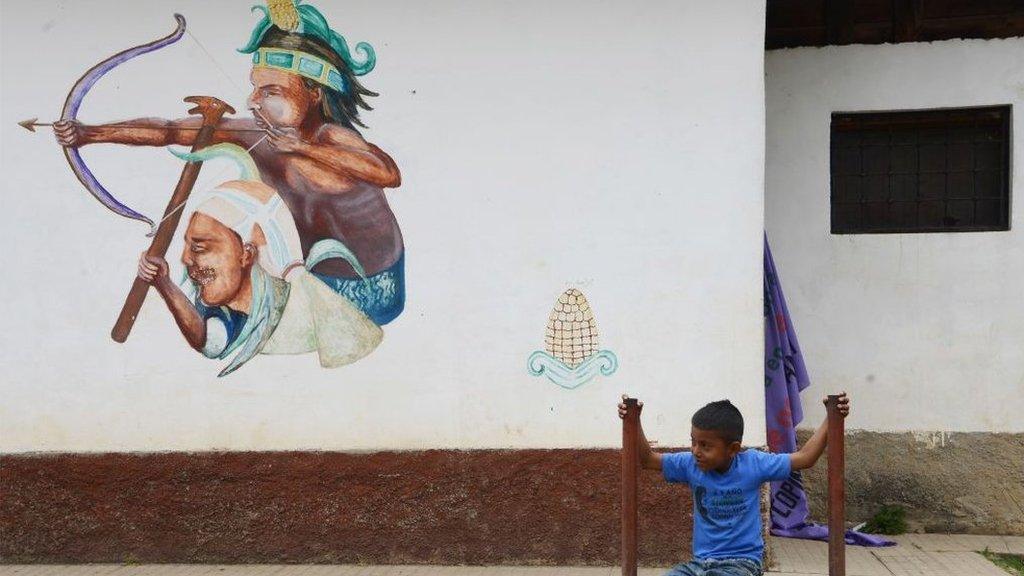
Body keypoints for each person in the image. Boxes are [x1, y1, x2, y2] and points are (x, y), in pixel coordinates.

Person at [55, 0, 405, 327]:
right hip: (309, 282)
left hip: (375, 287)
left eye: (271, 92)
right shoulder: (261, 135)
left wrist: (302, 147)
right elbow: (171, 131)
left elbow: (387, 173)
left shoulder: (334, 140)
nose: (253, 101)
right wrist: (88, 133)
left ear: (314, 93)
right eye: (256, 88)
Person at [137, 143, 382, 377]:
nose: (185, 259)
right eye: (188, 246)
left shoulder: (298, 304)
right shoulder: (222, 301)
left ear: (247, 254)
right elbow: (211, 339)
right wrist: (164, 283)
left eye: (200, 247)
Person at [617, 393, 851, 576]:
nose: (696, 451)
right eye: (693, 442)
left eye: (706, 446)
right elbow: (647, 459)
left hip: (742, 564)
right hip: (700, 565)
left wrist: (831, 419)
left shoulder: (753, 464)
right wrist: (634, 420)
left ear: (733, 449)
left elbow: (805, 458)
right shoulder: (691, 464)